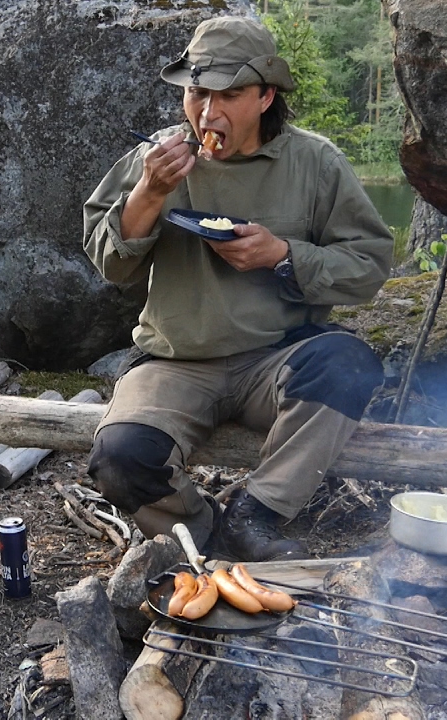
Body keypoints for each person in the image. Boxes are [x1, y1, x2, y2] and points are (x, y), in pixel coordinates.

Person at [83, 16, 392, 562]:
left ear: (266, 96)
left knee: (348, 363)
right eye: (197, 93)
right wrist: (151, 193)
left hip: (278, 359)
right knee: (120, 456)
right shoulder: (156, 159)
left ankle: (258, 512)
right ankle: (203, 531)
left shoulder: (313, 162)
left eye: (228, 95)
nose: (207, 113)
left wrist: (284, 255)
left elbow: (368, 265)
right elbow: (110, 264)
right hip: (175, 360)